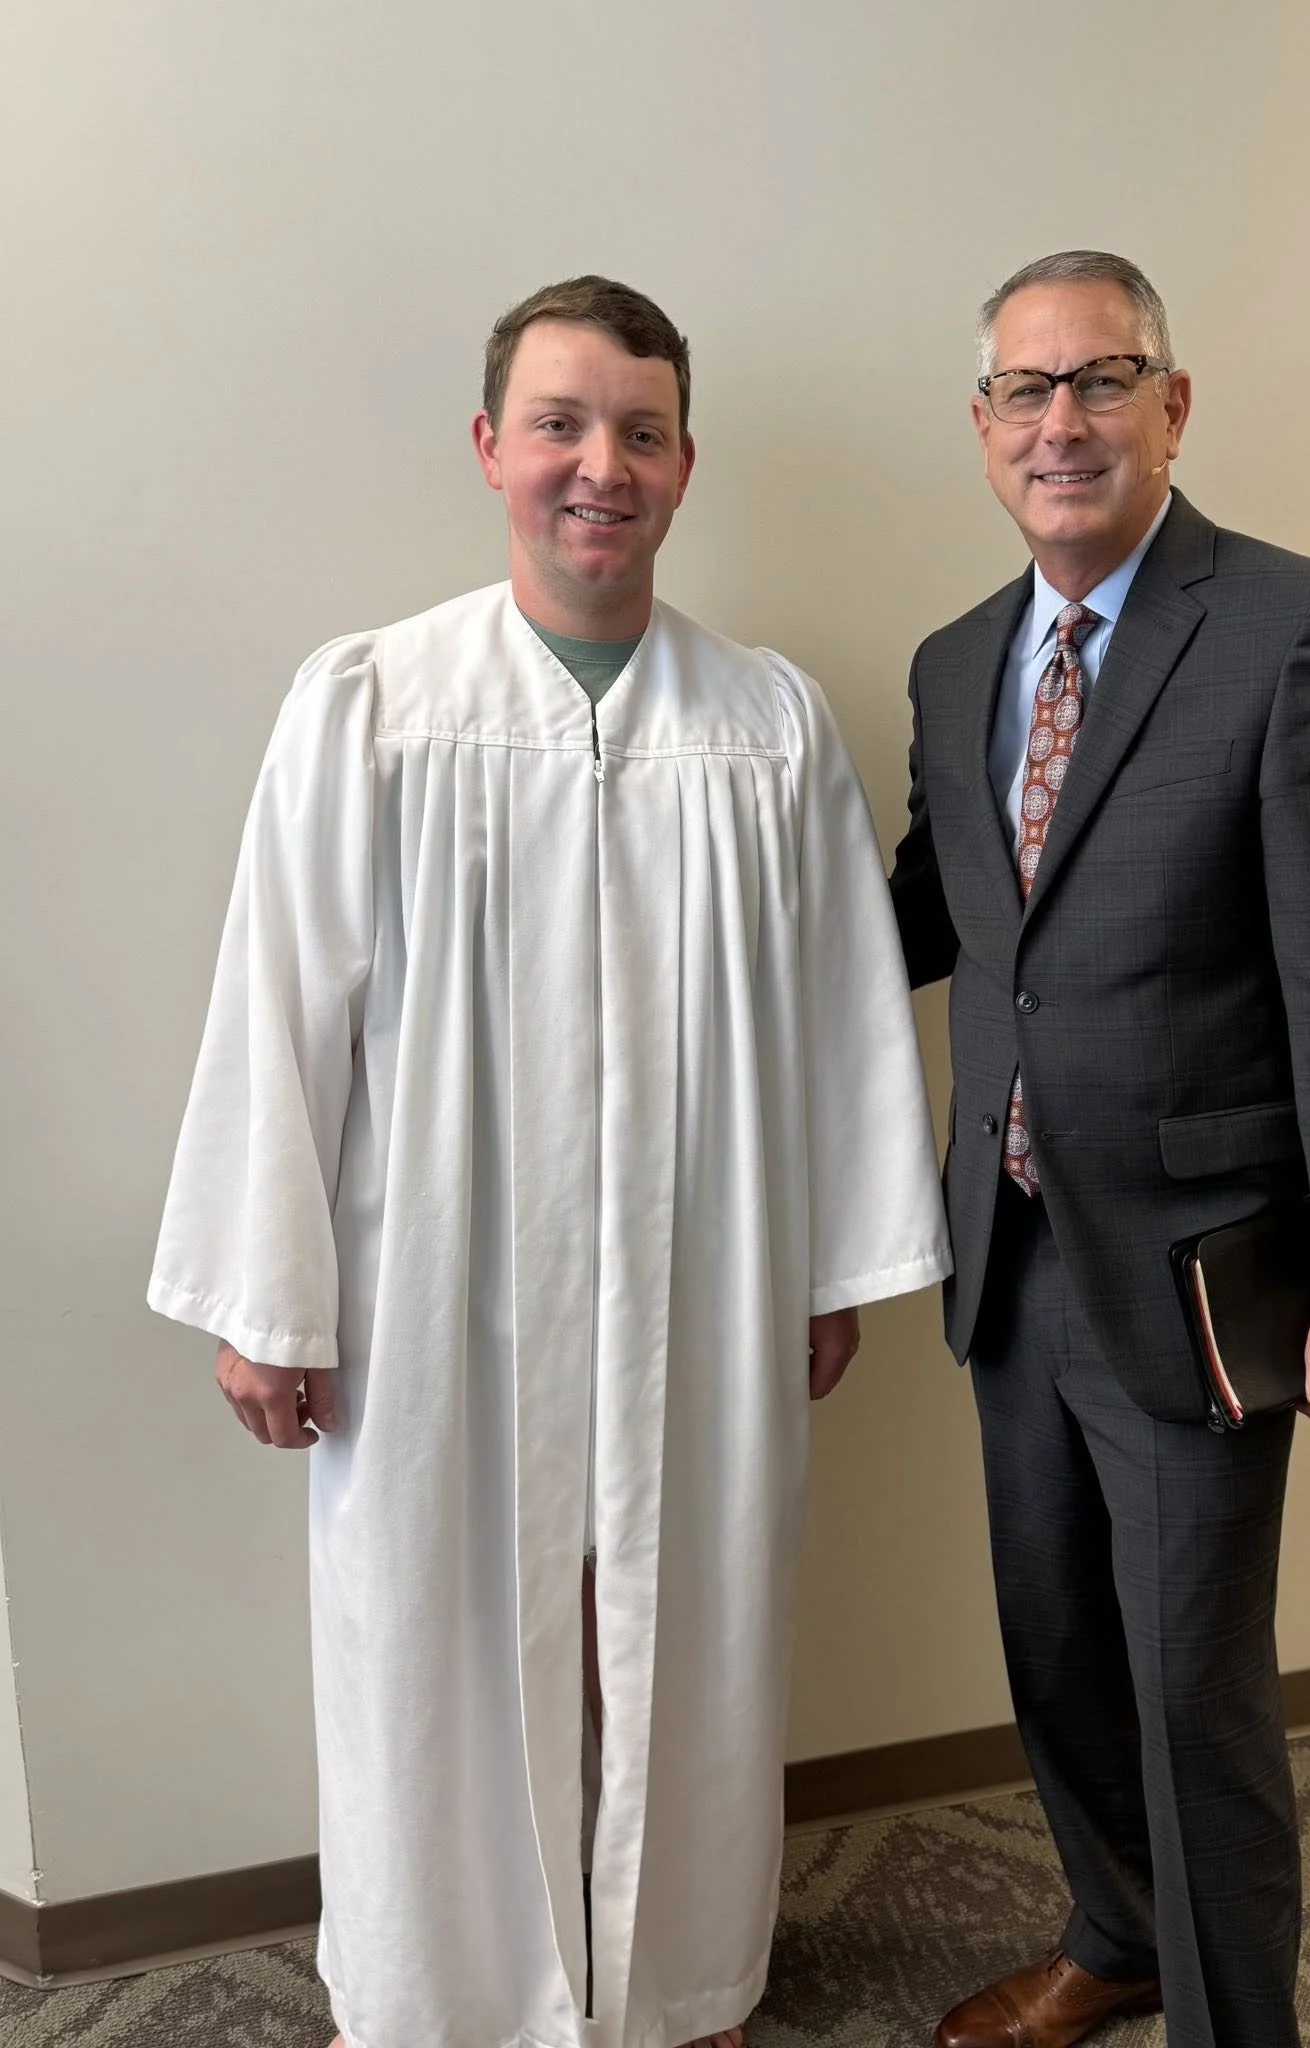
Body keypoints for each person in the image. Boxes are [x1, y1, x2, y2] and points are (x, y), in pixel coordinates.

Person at [149, 275, 950, 2048]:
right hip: (435, 1274)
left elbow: (839, 1013)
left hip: (702, 1262)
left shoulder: (765, 724)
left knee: (691, 1617)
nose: (603, 466)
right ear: (490, 444)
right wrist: (269, 1297)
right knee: (428, 1628)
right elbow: (280, 1003)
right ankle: (435, 1995)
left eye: (641, 432)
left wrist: (832, 1268)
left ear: (686, 465)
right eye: (562, 425)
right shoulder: (373, 704)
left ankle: (678, 1983)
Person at [889, 251, 1310, 2048]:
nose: (1062, 423)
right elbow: (934, 916)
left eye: (1102, 380)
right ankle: (1114, 1939)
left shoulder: (1291, 628)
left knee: (1193, 1695)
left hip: (1201, 1273)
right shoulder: (956, 663)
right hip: (1010, 1258)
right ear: (984, 427)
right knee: (1056, 1650)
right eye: (1026, 391)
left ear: (1172, 407)